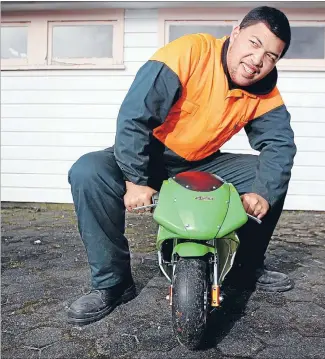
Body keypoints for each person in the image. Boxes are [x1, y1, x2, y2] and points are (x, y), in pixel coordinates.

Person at [67, 6, 297, 326]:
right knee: (88, 171)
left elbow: (279, 144)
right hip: (150, 154)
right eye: (254, 43)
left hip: (201, 161)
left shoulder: (263, 89)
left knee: (269, 176)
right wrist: (135, 179)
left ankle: (245, 269)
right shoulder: (189, 52)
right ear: (235, 33)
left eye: (271, 56)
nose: (259, 60)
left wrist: (263, 192)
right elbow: (135, 117)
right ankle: (112, 284)